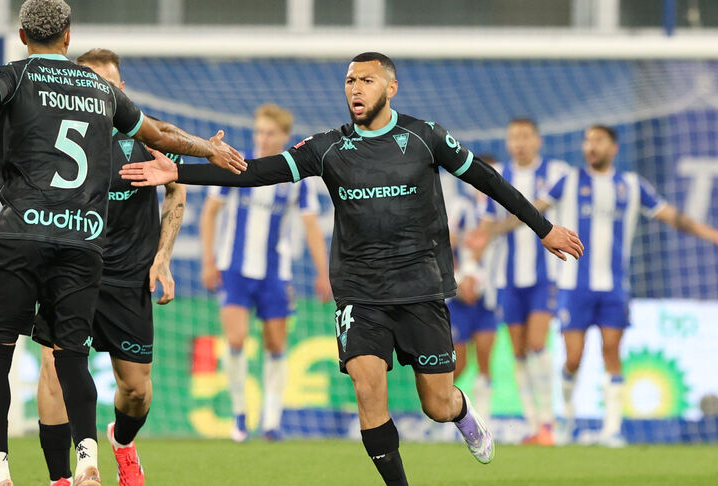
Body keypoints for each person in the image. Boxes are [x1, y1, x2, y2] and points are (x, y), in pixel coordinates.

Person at [120, 52, 584, 485]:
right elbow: (258, 172)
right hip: (360, 293)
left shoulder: (426, 137)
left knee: (437, 404)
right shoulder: (328, 148)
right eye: (349, 81)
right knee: (367, 386)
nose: (355, 89)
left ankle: (463, 414)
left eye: (366, 80)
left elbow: (487, 179)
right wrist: (179, 172)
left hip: (421, 287)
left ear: (391, 87)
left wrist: (542, 229)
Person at [0, 0, 245, 486]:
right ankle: (77, 466)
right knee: (66, 359)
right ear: (68, 37)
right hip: (83, 243)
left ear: (22, 37)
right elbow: (162, 133)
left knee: (4, 354)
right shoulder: (99, 93)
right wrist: (207, 149)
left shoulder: (14, 76)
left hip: (41, 241)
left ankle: (4, 471)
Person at [33, 48, 188, 486]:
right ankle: (60, 477)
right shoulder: (52, 138)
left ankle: (121, 442)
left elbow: (177, 191)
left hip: (128, 277)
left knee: (136, 390)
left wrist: (163, 257)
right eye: (91, 83)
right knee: (54, 368)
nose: (99, 92)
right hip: (68, 269)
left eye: (108, 85)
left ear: (120, 91)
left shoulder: (149, 135)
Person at [519, 125, 718, 447]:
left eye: (598, 140)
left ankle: (612, 430)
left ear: (613, 148)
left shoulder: (632, 185)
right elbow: (531, 210)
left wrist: (710, 234)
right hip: (573, 286)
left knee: (612, 352)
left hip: (613, 287)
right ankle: (566, 418)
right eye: (587, 140)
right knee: (573, 358)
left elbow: (672, 216)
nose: (590, 146)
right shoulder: (568, 181)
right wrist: (491, 231)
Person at [200, 104, 331, 442]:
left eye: (270, 132)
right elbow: (209, 213)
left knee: (275, 344)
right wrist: (208, 261)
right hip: (234, 269)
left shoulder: (297, 177)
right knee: (236, 340)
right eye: (259, 131)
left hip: (276, 273)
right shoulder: (235, 165)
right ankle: (240, 416)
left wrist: (323, 272)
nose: (262, 138)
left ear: (285, 137)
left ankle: (272, 421)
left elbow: (312, 226)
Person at [473, 119, 571, 444]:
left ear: (538, 140)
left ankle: (550, 421)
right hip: (507, 278)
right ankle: (535, 426)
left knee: (538, 343)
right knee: (519, 352)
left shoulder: (556, 172)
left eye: (525, 136)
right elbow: (485, 226)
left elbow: (536, 210)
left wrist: (499, 228)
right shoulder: (495, 177)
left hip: (545, 275)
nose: (520, 143)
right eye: (514, 136)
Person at [445, 168, 498, 423]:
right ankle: (439, 413)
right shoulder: (462, 205)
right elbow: (448, 244)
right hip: (460, 299)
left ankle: (484, 421)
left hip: (487, 298)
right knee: (459, 365)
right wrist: (460, 279)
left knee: (486, 361)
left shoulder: (502, 210)